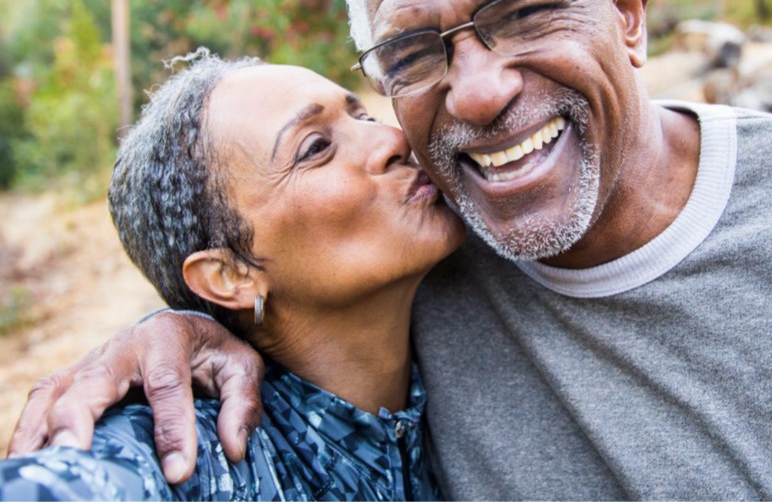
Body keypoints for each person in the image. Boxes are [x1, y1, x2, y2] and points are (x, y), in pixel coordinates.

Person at [10, 0, 772, 498]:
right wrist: (165, 334)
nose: (475, 92)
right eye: (413, 54)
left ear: (628, 10)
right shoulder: (428, 247)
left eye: (526, 11)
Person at [0, 51, 463, 499]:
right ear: (230, 274)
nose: (392, 140)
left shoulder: (484, 263)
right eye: (316, 147)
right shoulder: (196, 451)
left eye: (362, 117)